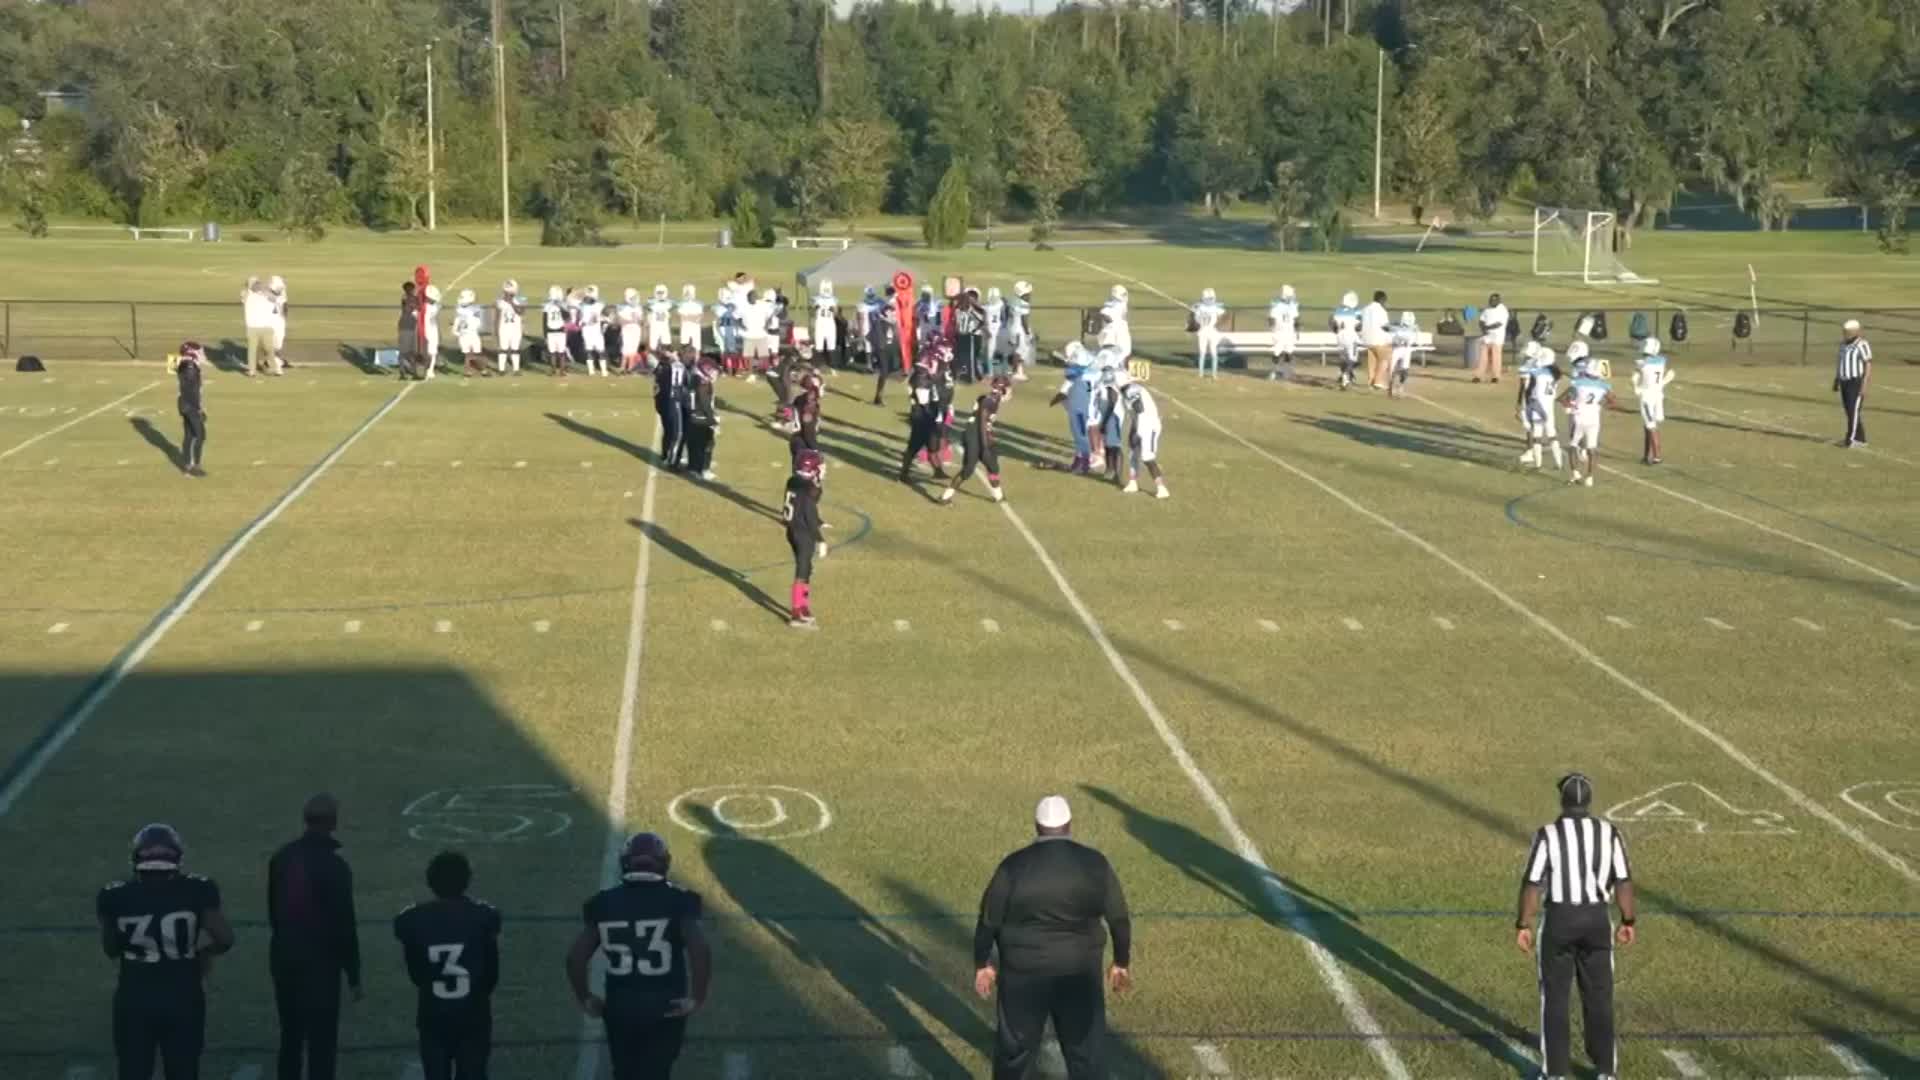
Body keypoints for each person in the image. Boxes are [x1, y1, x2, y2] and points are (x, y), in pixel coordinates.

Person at [973, 796, 1131, 1080]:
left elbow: (988, 920)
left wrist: (982, 962)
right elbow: (1119, 918)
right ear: (1069, 825)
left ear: (1037, 826)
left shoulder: (1013, 866)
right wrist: (1121, 962)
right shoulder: (1095, 863)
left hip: (1023, 976)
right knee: (1086, 1056)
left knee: (1015, 1056)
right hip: (1079, 975)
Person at [1516, 774, 1636, 1080]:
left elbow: (1532, 883)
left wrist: (1523, 924)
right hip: (1596, 921)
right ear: (1589, 801)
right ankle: (1605, 1071)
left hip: (1560, 921)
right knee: (1599, 996)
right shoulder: (1609, 833)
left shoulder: (1548, 834)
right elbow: (1622, 880)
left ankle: (1555, 1072)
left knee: (1555, 998)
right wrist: (1628, 919)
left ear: (1563, 801)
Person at [568, 833, 711, 1080]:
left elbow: (575, 958)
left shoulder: (603, 902)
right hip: (666, 1006)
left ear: (625, 863)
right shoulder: (681, 900)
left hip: (620, 1006)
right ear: (664, 863)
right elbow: (700, 949)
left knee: (625, 1072)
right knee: (658, 1072)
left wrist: (586, 997)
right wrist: (697, 997)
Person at [98, 823, 236, 1080]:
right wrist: (204, 953)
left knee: (133, 1071)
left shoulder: (114, 895)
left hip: (134, 998)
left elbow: (111, 948)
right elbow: (225, 939)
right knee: (183, 1071)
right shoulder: (199, 889)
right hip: (183, 995)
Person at [268, 794, 362, 1080]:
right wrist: (353, 973)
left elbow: (274, 912)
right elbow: (344, 924)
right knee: (322, 1040)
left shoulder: (281, 858)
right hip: (321, 964)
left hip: (285, 958)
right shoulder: (335, 866)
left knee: (291, 1035)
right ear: (333, 822)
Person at [394, 851, 500, 1080]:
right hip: (473, 1015)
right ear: (466, 880)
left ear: (431, 881)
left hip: (433, 1015)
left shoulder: (412, 919)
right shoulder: (484, 916)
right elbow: (491, 974)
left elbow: (416, 972)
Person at [940, 374, 1010, 506]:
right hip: (974, 435)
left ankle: (999, 496)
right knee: (968, 469)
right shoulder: (989, 400)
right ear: (1003, 389)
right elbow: (982, 423)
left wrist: (989, 437)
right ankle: (945, 497)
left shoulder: (993, 398)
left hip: (980, 433)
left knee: (992, 466)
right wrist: (985, 446)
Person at [782, 449, 827, 627]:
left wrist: (819, 521)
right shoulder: (810, 488)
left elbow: (801, 505)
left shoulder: (793, 480)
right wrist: (820, 539)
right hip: (803, 533)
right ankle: (796, 612)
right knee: (802, 572)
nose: (823, 469)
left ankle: (803, 605)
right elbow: (809, 513)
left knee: (806, 568)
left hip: (792, 529)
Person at [1115, 370, 1170, 499]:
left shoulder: (1131, 390)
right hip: (1139, 424)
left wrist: (1137, 430)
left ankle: (1161, 488)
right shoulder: (1128, 390)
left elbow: (1139, 408)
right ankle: (1133, 482)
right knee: (1133, 454)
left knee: (1147, 457)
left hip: (1149, 426)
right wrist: (1133, 429)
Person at [898, 350, 948, 483]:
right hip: (922, 419)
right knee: (914, 447)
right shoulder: (921, 379)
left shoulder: (923, 376)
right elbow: (924, 403)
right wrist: (935, 418)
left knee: (932, 446)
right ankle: (903, 474)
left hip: (926, 417)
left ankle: (938, 471)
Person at [1564, 355, 1614, 487]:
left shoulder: (1578, 383)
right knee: (1592, 449)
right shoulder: (1604, 386)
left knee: (1572, 446)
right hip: (1593, 419)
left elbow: (1567, 399)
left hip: (1579, 417)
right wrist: (1601, 405)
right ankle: (1590, 477)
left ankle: (1575, 473)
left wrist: (1570, 405)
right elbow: (1612, 401)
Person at [1515, 342, 1566, 472]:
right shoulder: (1555, 374)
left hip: (1537, 405)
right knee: (1552, 434)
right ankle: (1559, 463)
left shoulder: (1536, 373)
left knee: (1537, 435)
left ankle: (1538, 464)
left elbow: (1528, 389)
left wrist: (1524, 405)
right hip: (1549, 405)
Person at [1048, 342, 1095, 475]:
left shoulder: (1080, 375)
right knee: (1078, 434)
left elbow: (1067, 386)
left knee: (1080, 434)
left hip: (1080, 406)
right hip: (1080, 404)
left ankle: (1084, 464)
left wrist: (1055, 400)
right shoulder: (1085, 373)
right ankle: (1079, 461)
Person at [1633, 337, 1674, 465]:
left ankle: (1657, 456)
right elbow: (1661, 377)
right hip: (1658, 395)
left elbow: (1636, 376)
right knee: (1648, 426)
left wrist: (1636, 386)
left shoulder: (1641, 362)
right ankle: (1646, 455)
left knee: (1651, 426)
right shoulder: (1662, 360)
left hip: (1647, 397)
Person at [171, 341, 208, 478]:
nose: (202, 354)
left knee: (189, 435)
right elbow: (191, 391)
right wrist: (198, 409)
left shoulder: (184, 363)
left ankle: (187, 466)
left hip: (184, 403)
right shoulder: (190, 367)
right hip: (190, 404)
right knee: (200, 435)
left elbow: (174, 365)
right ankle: (195, 466)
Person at [1835, 318, 1872, 448]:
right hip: (1844, 381)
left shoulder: (1862, 344)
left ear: (1855, 332)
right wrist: (1837, 379)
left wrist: (1864, 384)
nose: (1845, 334)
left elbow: (1868, 365)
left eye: (1848, 331)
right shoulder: (1843, 345)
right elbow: (1840, 362)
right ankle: (1861, 439)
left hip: (1855, 382)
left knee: (1853, 411)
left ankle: (1850, 439)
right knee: (1850, 411)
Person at [655, 348, 691, 472]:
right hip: (673, 401)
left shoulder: (660, 367)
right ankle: (672, 461)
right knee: (677, 433)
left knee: (668, 431)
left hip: (662, 402)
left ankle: (665, 456)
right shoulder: (676, 366)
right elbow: (686, 382)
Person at [686, 356, 720, 482]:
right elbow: (705, 403)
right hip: (701, 417)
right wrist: (713, 421)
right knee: (707, 444)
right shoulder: (703, 384)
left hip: (693, 416)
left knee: (695, 444)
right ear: (706, 369)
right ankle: (704, 469)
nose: (715, 374)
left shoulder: (695, 378)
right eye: (713, 370)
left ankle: (693, 467)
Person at [243, 276, 282, 377]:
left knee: (269, 349)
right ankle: (252, 371)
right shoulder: (247, 294)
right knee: (252, 350)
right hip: (253, 326)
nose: (257, 285)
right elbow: (245, 294)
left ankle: (274, 368)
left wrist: (269, 291)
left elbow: (276, 299)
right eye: (254, 284)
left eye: (257, 283)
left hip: (266, 326)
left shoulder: (266, 294)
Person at [870, 286, 902, 406]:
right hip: (883, 346)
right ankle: (878, 398)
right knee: (884, 371)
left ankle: (879, 396)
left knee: (888, 370)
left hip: (888, 344)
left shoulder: (886, 308)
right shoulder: (886, 311)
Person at [1360, 289, 1393, 391]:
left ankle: (1370, 382)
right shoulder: (1381, 311)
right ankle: (1378, 381)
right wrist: (1393, 328)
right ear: (1382, 299)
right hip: (1378, 339)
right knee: (1385, 359)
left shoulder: (1365, 309)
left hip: (1367, 340)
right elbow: (1385, 326)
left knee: (1372, 361)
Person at [953, 288, 988, 383]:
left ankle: (973, 376)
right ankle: (965, 375)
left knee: (972, 357)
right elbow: (956, 322)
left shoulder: (974, 310)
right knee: (962, 356)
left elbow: (982, 320)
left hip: (971, 336)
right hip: (961, 336)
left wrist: (974, 330)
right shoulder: (958, 310)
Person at [1476, 292, 1510, 383]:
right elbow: (1481, 320)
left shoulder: (1503, 310)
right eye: (1490, 300)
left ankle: (1496, 376)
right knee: (1482, 357)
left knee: (1496, 357)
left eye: (1494, 300)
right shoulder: (1487, 309)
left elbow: (1499, 324)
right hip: (1486, 337)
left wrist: (1487, 328)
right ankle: (1478, 375)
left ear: (1498, 301)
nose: (1491, 301)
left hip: (1497, 337)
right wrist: (1483, 328)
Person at [1192, 288, 1226, 379]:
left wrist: (1196, 307)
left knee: (1203, 353)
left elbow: (1196, 319)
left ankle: (1201, 373)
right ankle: (1213, 374)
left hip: (1203, 331)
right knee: (1213, 352)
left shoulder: (1199, 308)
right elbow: (1223, 312)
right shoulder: (1214, 308)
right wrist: (1218, 305)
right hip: (1211, 331)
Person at [454, 290, 488, 378]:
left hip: (465, 334)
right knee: (472, 354)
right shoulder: (472, 309)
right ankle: (479, 370)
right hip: (469, 334)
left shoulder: (460, 309)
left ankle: (472, 370)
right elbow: (477, 322)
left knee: (471, 354)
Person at [1331, 291, 1361, 390]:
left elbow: (1333, 325)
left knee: (1343, 359)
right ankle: (1345, 376)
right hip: (1351, 336)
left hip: (1340, 336)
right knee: (1352, 359)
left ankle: (1345, 377)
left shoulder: (1337, 311)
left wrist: (1338, 330)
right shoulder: (1355, 312)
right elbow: (1359, 327)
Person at [1268, 285, 1299, 381]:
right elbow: (1271, 319)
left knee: (1289, 352)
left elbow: (1296, 319)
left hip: (1289, 332)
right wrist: (1273, 329)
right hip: (1279, 333)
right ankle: (1274, 371)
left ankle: (1286, 371)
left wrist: (1296, 330)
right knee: (1276, 353)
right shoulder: (1276, 306)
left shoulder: (1293, 305)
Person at [494, 281, 525, 376]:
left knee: (515, 349)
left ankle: (516, 369)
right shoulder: (499, 302)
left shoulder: (520, 300)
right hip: (504, 328)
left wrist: (511, 302)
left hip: (516, 328)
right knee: (503, 349)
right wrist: (496, 330)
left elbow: (521, 312)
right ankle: (501, 369)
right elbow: (497, 317)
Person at [1007, 280, 1035, 381]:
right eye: (1028, 294)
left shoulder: (1013, 301)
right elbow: (1024, 321)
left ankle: (1018, 371)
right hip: (1020, 330)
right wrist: (1028, 333)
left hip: (1012, 327)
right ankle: (1016, 372)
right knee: (1020, 351)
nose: (1029, 295)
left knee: (1017, 350)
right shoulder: (1024, 304)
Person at [579, 285, 609, 377]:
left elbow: (606, 316)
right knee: (589, 350)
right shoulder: (583, 305)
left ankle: (603, 370)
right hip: (587, 331)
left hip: (596, 331)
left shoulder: (600, 305)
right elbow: (581, 319)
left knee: (601, 351)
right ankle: (591, 370)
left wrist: (604, 322)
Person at [1388, 310, 1419, 399]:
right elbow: (1391, 339)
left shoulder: (1414, 329)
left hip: (1406, 350)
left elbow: (1414, 341)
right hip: (1397, 349)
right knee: (1392, 369)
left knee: (1405, 370)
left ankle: (1401, 386)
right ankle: (1391, 386)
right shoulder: (1397, 329)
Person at [542, 286, 571, 376]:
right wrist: (545, 335)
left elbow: (567, 317)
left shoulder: (559, 305)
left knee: (560, 352)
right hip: (552, 331)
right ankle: (553, 369)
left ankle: (561, 370)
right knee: (553, 352)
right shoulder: (547, 306)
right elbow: (545, 320)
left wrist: (560, 307)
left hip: (559, 331)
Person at [617, 289, 647, 375]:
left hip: (636, 329)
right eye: (632, 298)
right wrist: (629, 321)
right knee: (626, 349)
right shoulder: (622, 307)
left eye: (635, 297)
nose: (634, 299)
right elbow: (620, 320)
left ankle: (630, 368)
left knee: (633, 349)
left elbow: (641, 320)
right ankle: (622, 367)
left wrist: (641, 321)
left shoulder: (639, 307)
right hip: (627, 329)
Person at [397, 282, 422, 380]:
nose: (413, 290)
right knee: (404, 351)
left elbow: (418, 307)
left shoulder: (412, 298)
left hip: (411, 327)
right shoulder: (406, 298)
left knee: (412, 352)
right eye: (412, 289)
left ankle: (413, 372)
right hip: (405, 327)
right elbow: (410, 308)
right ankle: (402, 373)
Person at [811, 280, 839, 365]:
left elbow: (835, 312)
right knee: (822, 344)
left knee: (828, 344)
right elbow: (835, 313)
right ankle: (823, 362)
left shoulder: (818, 299)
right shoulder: (831, 299)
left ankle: (828, 362)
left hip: (825, 322)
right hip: (824, 322)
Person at [419, 285, 444, 380]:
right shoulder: (431, 307)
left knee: (432, 352)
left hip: (431, 330)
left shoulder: (429, 307)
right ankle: (428, 369)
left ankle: (430, 369)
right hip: (428, 330)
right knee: (429, 351)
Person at [1100, 285, 1131, 359]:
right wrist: (1111, 323)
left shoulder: (1120, 304)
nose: (1125, 297)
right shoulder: (1116, 305)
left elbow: (1104, 314)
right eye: (1123, 295)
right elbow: (1104, 313)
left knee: (1122, 352)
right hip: (1114, 333)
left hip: (1119, 332)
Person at [268, 276, 292, 370]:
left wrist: (285, 317)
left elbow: (285, 304)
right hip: (270, 320)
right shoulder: (266, 294)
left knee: (278, 342)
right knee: (270, 341)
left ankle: (275, 359)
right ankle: (272, 360)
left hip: (279, 320)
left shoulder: (282, 292)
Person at [647, 285, 674, 360]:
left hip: (663, 327)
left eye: (662, 293)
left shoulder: (668, 303)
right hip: (655, 327)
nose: (660, 295)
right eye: (659, 293)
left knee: (665, 345)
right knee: (653, 346)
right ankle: (654, 359)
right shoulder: (652, 303)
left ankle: (664, 359)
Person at [676, 285, 704, 357]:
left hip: (695, 328)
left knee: (696, 347)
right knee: (685, 346)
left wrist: (689, 317)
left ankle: (696, 361)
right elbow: (681, 316)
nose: (689, 295)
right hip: (685, 328)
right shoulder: (681, 305)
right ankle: (685, 361)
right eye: (687, 293)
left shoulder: (698, 304)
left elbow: (699, 317)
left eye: (690, 293)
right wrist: (692, 317)